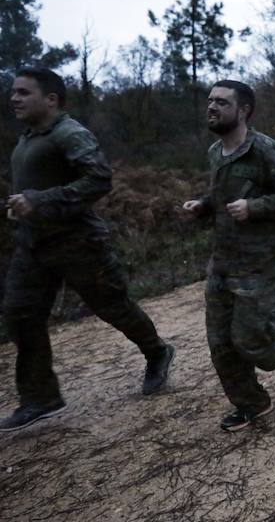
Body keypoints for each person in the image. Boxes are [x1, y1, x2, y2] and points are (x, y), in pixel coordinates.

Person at [0, 68, 175, 433]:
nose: (13, 98)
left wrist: (40, 199)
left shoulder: (69, 133)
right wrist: (23, 207)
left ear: (51, 99)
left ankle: (157, 351)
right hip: (33, 245)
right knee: (20, 315)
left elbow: (99, 179)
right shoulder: (29, 136)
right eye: (13, 92)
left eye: (23, 92)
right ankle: (40, 397)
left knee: (112, 306)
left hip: (78, 243)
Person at [183, 80, 275, 432]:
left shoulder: (266, 151)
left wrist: (255, 207)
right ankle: (252, 403)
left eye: (222, 103)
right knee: (221, 344)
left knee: (252, 340)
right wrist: (204, 205)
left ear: (243, 111)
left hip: (259, 262)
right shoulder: (215, 152)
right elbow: (221, 194)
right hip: (222, 260)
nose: (212, 107)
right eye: (210, 101)